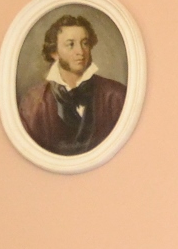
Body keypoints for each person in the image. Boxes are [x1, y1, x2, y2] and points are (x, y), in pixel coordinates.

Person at [18, 13, 127, 156]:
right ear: (54, 52)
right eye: (71, 44)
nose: (80, 52)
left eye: (85, 43)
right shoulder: (33, 102)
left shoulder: (116, 95)